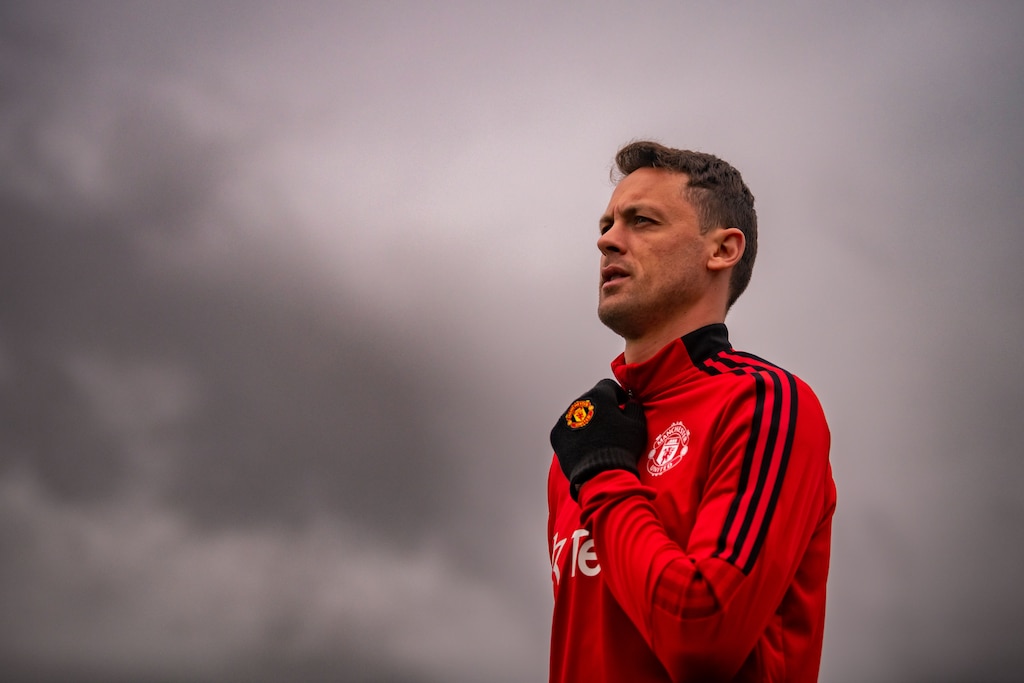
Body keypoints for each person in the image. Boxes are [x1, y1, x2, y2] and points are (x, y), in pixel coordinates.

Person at [547, 141, 836, 682]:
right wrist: (595, 461)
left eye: (642, 221)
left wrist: (605, 474)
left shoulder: (765, 403)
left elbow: (701, 636)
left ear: (722, 249)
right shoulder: (583, 443)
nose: (607, 240)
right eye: (607, 224)